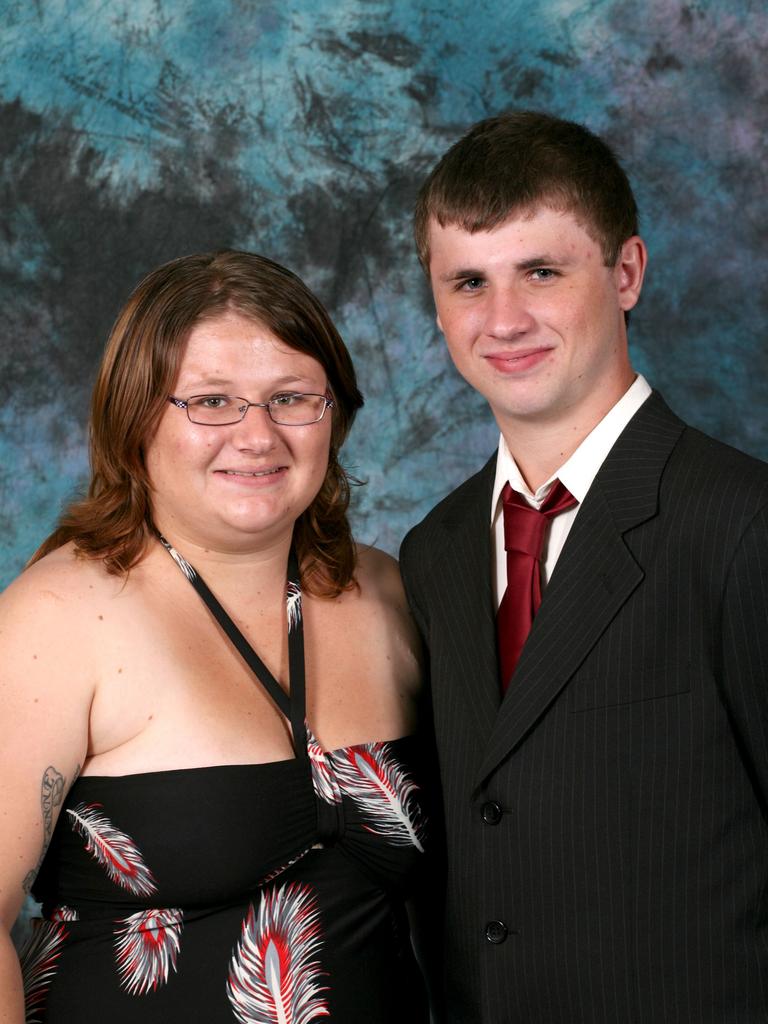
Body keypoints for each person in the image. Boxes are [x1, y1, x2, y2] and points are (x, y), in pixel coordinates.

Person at [399, 110, 768, 1023]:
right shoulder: (434, 553)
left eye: (542, 272)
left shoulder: (740, 523)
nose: (504, 319)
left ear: (627, 273)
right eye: (468, 282)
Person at [0, 250, 431, 1022]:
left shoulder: (390, 592)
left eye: (291, 398)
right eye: (211, 401)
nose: (258, 436)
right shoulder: (59, 617)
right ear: (135, 416)